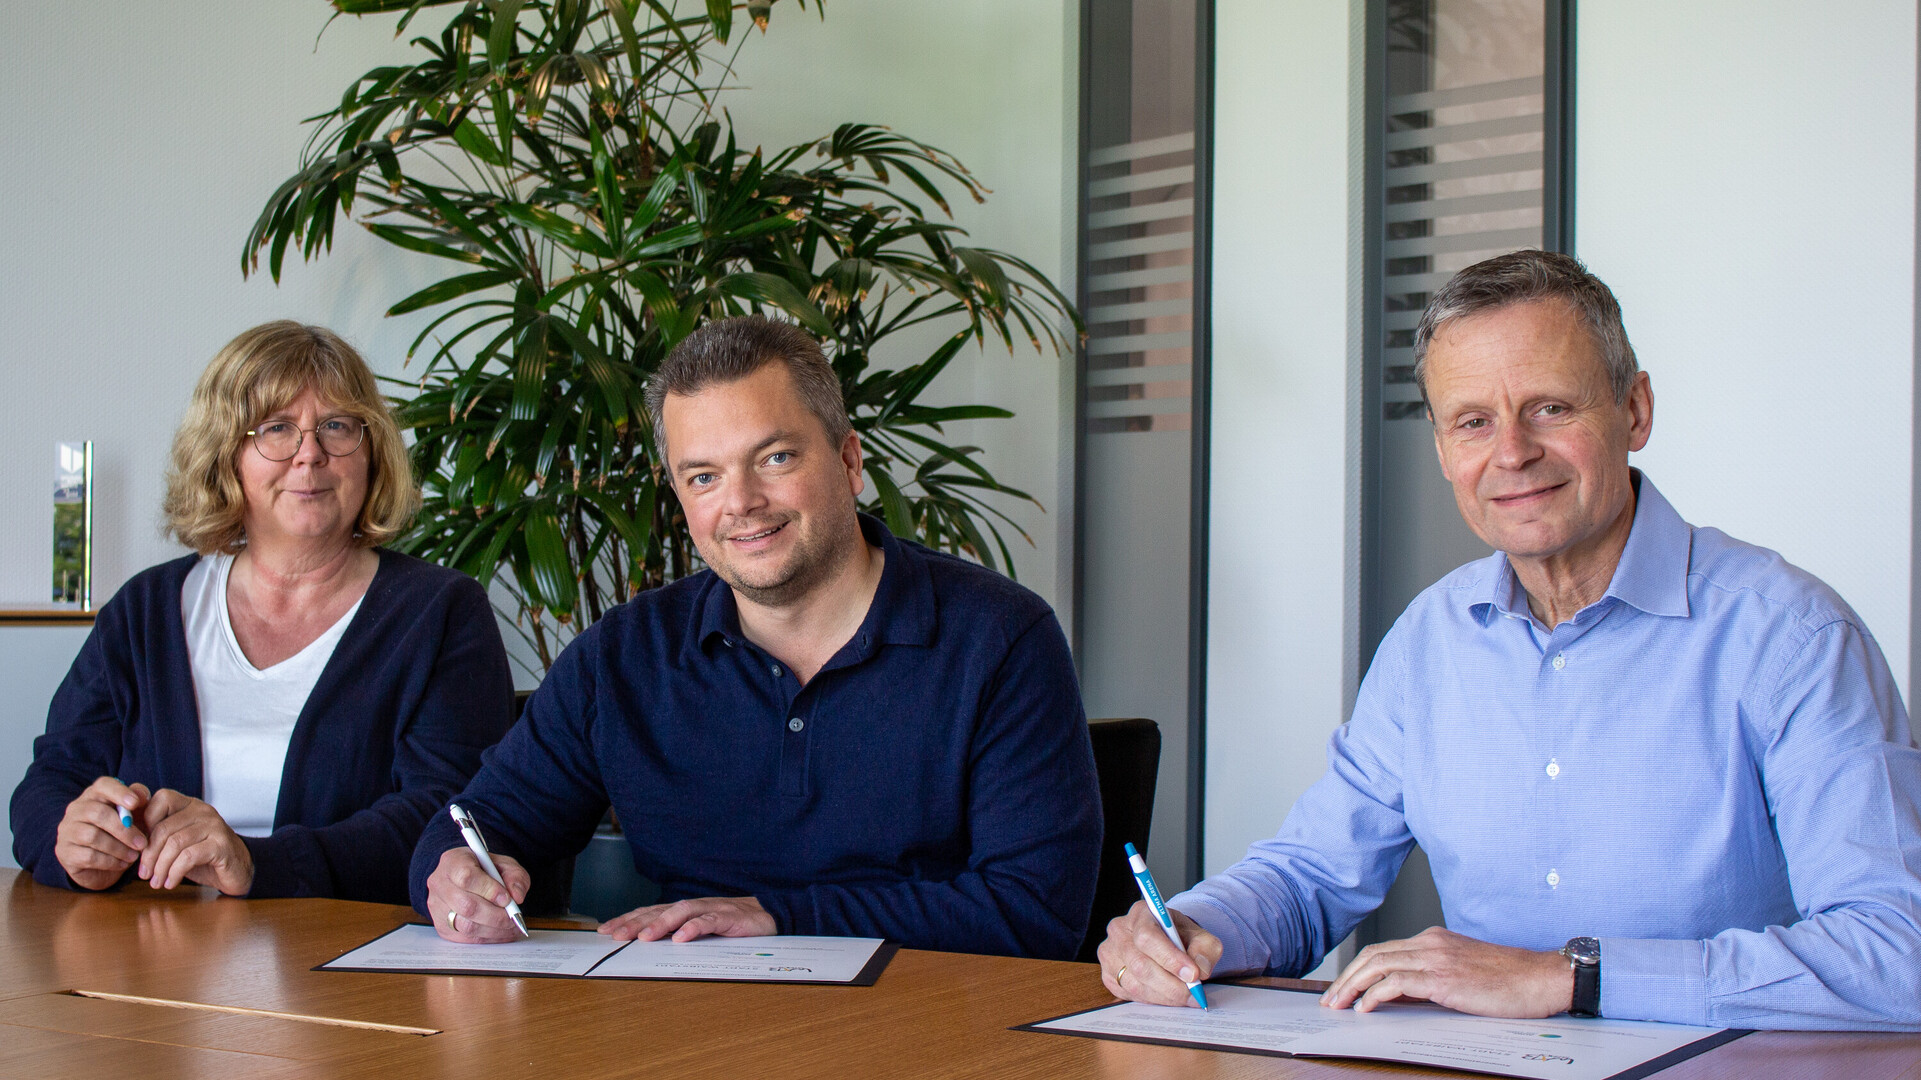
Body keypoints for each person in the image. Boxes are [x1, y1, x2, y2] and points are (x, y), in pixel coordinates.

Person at [1099, 250, 1921, 1031]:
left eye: (1550, 408)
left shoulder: (1791, 638)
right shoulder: (1430, 639)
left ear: (1633, 411)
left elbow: (1899, 953)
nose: (1512, 453)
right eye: (1472, 422)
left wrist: (1569, 977)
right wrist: (1193, 928)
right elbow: (1312, 872)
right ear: (1442, 450)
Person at [414, 315, 1101, 959]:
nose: (740, 502)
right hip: (689, 1017)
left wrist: (779, 915)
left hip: (923, 1017)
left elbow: (1036, 911)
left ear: (849, 461)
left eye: (774, 458)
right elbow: (472, 826)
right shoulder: (623, 655)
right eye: (704, 477)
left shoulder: (999, 639)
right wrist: (454, 876)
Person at [11, 322, 515, 904]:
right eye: (277, 428)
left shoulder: (442, 613)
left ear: (371, 451)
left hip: (341, 951)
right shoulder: (144, 611)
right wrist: (71, 842)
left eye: (337, 426)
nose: (310, 454)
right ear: (225, 454)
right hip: (152, 943)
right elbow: (50, 783)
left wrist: (257, 863)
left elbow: (450, 819)